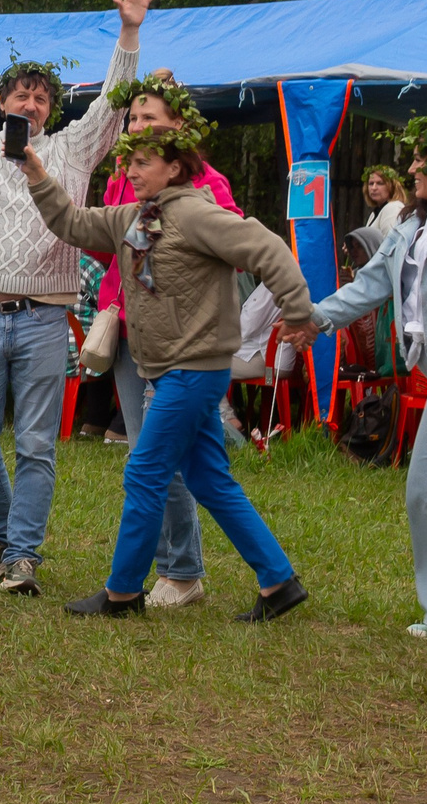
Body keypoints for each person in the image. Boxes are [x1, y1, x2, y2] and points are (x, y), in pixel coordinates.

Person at [22, 121, 315, 621]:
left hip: (194, 370)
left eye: (143, 163)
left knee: (144, 471)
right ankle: (279, 581)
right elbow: (73, 223)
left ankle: (121, 593)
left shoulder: (198, 213)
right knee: (209, 480)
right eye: (129, 162)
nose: (131, 171)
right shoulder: (134, 217)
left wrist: (298, 311)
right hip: (170, 370)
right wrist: (37, 177)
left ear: (175, 168)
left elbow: (267, 248)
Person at [0, 0, 153, 597]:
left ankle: (22, 555)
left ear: (52, 110)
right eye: (21, 96)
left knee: (35, 444)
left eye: (42, 98)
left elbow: (112, 107)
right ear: (0, 104)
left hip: (44, 319)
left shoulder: (74, 151)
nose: (31, 104)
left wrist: (127, 35)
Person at [304, 104, 427, 639]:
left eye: (424, 158)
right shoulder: (409, 226)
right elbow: (370, 284)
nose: (414, 167)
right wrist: (313, 319)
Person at [86, 75, 243, 608]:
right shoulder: (123, 179)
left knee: (159, 459)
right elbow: (110, 249)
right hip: (131, 333)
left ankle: (179, 572)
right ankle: (250, 574)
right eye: (133, 118)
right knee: (156, 453)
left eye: (150, 118)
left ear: (179, 127)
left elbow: (230, 246)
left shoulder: (208, 185)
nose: (138, 127)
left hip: (181, 344)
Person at [362, 165, 408, 238]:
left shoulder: (393, 208)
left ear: (392, 186)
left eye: (380, 183)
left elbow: (390, 242)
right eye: (371, 183)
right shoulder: (375, 213)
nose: (374, 188)